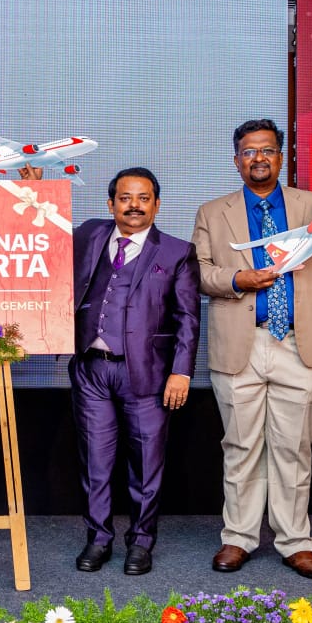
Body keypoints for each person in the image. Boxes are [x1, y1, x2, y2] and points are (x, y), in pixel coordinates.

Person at [193, 119, 312, 580]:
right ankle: (238, 537)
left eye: (267, 150)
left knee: (294, 448)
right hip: (241, 344)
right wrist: (239, 278)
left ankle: (295, 542)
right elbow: (199, 273)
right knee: (241, 446)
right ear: (237, 160)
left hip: (300, 343)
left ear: (280, 157)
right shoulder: (212, 212)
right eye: (249, 151)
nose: (258, 158)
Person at [64, 165, 200, 576]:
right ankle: (98, 539)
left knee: (145, 465)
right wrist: (33, 192)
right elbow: (47, 234)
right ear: (111, 204)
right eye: (125, 198)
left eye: (143, 198)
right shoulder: (89, 234)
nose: (134, 206)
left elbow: (188, 318)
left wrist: (181, 372)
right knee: (95, 462)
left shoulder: (177, 252)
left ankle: (141, 542)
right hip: (91, 369)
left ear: (157, 205)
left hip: (147, 374)